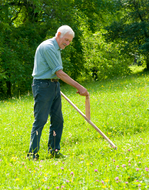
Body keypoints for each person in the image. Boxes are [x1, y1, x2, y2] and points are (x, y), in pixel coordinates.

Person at [27, 25, 89, 160]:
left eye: (69, 41)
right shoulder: (48, 47)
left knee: (58, 120)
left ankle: (54, 150)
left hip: (53, 85)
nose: (67, 43)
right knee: (41, 120)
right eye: (66, 40)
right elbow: (60, 73)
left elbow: (57, 74)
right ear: (59, 34)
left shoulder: (56, 48)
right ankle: (32, 154)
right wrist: (80, 87)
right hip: (43, 86)